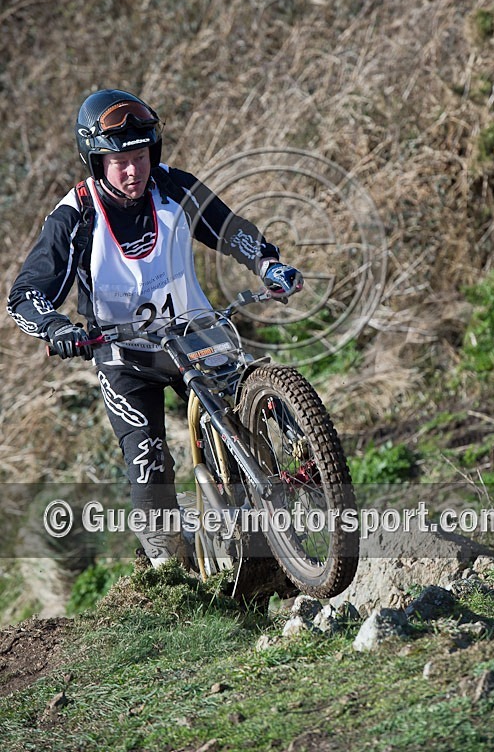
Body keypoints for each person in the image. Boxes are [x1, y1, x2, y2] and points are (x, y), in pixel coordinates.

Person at [7, 88, 303, 567]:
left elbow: (230, 229)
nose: (133, 171)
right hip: (124, 356)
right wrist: (56, 327)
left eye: (141, 157)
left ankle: (302, 481)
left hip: (195, 334)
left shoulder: (174, 187)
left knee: (242, 412)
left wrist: (269, 264)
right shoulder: (75, 216)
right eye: (120, 161)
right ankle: (168, 569)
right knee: (148, 461)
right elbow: (25, 295)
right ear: (96, 162)